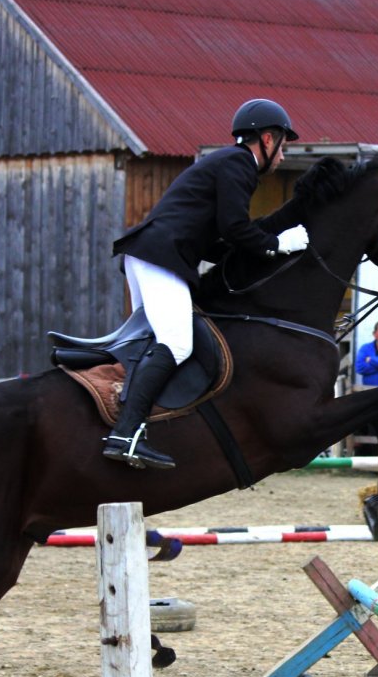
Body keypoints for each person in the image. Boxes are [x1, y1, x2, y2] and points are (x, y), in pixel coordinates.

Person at [105, 98, 307, 470]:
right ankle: (125, 434)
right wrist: (279, 243)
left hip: (150, 254)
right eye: (283, 145)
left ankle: (130, 426)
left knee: (151, 344)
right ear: (266, 139)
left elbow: (218, 242)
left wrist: (252, 255)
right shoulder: (238, 165)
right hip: (160, 257)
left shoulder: (222, 164)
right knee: (177, 343)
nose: (282, 156)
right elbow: (234, 228)